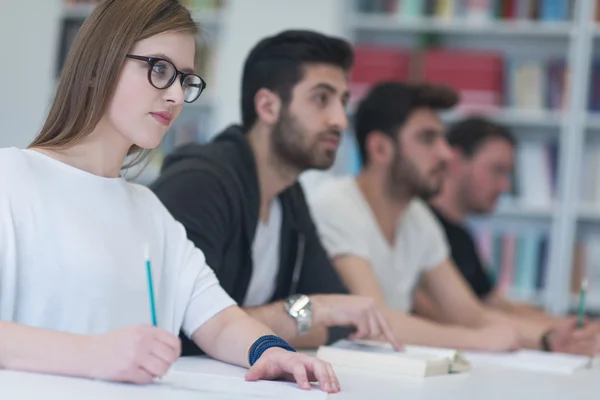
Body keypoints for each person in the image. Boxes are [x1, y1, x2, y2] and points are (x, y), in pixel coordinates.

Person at [0, 0, 341, 393]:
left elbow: (219, 319)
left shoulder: (150, 212)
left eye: (185, 80)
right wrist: (93, 354)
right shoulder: (12, 179)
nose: (177, 96)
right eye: (159, 69)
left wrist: (270, 350)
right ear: (97, 67)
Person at [150, 29, 398, 355]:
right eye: (321, 99)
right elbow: (181, 326)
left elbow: (340, 318)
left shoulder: (288, 195)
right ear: (268, 106)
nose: (340, 120)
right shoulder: (200, 183)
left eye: (343, 102)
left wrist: (305, 313)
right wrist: (308, 311)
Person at [308, 81, 599, 355]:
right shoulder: (336, 203)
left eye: (443, 139)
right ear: (380, 148)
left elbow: (468, 312)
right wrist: (478, 341)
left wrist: (548, 339)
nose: (446, 154)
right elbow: (375, 321)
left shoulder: (417, 217)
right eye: (427, 138)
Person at [424, 117, 598, 339]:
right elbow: (460, 316)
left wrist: (572, 328)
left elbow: (495, 304)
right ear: (456, 161)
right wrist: (550, 336)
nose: (505, 185)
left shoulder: (462, 236)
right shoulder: (422, 227)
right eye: (497, 170)